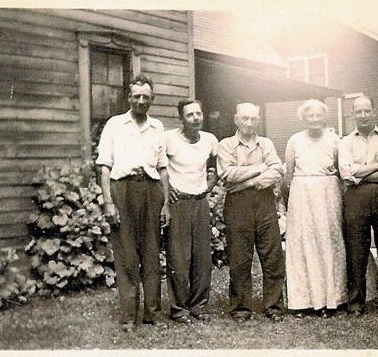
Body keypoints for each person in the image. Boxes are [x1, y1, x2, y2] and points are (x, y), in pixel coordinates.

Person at [96, 73, 170, 332]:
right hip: (122, 190)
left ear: (152, 99)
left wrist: (166, 204)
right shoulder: (114, 125)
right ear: (129, 97)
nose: (141, 101)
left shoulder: (158, 127)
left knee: (151, 253)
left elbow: (162, 168)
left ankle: (151, 313)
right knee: (126, 254)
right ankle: (128, 316)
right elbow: (104, 167)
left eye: (146, 97)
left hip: (151, 190)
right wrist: (108, 203)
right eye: (136, 96)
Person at [217, 102, 286, 323]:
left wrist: (249, 182)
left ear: (258, 120)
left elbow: (277, 171)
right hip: (238, 205)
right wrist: (259, 169)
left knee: (272, 256)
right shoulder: (226, 145)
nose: (248, 123)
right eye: (244, 118)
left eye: (253, 118)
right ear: (236, 119)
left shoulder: (266, 144)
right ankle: (241, 308)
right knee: (240, 258)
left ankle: (274, 306)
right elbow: (228, 174)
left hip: (264, 202)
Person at [283, 99, 347, 318]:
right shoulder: (294, 140)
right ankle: (303, 301)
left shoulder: (335, 140)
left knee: (329, 241)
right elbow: (287, 175)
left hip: (328, 193)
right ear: (304, 117)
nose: (315, 119)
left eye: (318, 115)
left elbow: (341, 170)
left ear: (324, 117)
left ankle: (332, 299)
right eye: (310, 115)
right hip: (302, 195)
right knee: (303, 243)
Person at [338, 96, 378, 317]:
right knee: (356, 250)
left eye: (367, 111)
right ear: (352, 114)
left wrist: (361, 173)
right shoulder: (345, 142)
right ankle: (355, 302)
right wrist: (376, 164)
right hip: (355, 199)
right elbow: (346, 173)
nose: (363, 115)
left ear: (374, 111)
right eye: (359, 111)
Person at [164, 99, 218, 323]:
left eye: (198, 113)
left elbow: (217, 168)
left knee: (202, 258)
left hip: (200, 202)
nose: (196, 118)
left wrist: (209, 186)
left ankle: (198, 305)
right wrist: (167, 192)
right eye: (190, 115)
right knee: (179, 258)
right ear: (181, 119)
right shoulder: (168, 139)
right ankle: (179, 309)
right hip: (179, 204)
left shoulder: (209, 140)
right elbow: (157, 166)